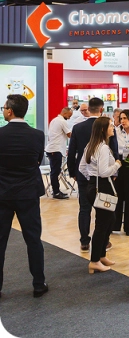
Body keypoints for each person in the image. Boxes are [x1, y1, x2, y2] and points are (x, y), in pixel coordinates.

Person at [0, 94, 48, 297]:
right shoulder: (37, 135)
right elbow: (37, 160)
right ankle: (39, 284)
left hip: (2, 194)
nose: (3, 111)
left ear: (10, 111)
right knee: (33, 240)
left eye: (4, 108)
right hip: (28, 194)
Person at [67, 97, 119, 253]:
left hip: (84, 175)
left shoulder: (78, 128)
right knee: (104, 210)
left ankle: (84, 241)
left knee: (84, 208)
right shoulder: (107, 126)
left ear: (88, 109)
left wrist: (73, 172)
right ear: (101, 109)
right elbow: (114, 150)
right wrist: (115, 170)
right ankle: (103, 242)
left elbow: (72, 152)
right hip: (102, 176)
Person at [79, 117, 121, 274]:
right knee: (103, 224)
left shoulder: (91, 145)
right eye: (110, 126)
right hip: (102, 187)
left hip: (94, 186)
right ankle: (95, 260)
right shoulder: (102, 148)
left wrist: (91, 178)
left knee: (109, 220)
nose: (113, 128)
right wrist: (116, 165)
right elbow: (104, 172)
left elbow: (82, 167)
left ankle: (101, 255)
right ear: (103, 129)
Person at [45, 107, 73, 199]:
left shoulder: (54, 120)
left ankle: (56, 191)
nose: (69, 118)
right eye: (69, 116)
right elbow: (69, 134)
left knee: (55, 171)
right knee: (55, 172)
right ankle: (56, 192)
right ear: (65, 113)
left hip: (53, 149)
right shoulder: (62, 121)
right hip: (55, 150)